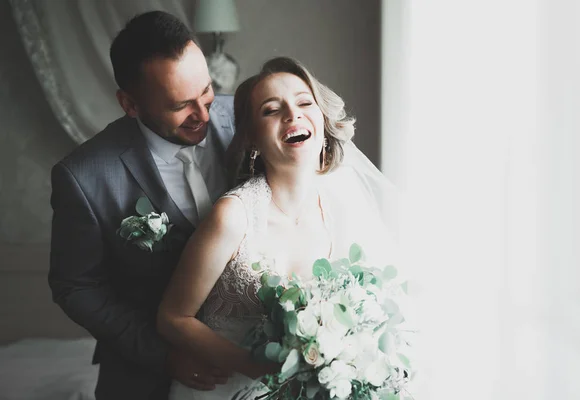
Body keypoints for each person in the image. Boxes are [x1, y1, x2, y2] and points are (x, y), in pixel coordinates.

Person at [157, 57, 398, 399]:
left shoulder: (342, 205)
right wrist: (255, 367)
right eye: (271, 110)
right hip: (225, 389)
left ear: (322, 121)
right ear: (253, 139)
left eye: (304, 102)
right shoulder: (233, 216)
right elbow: (172, 317)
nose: (292, 115)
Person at [48, 11, 236, 400]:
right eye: (181, 104)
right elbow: (77, 287)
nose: (203, 113)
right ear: (130, 104)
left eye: (206, 90)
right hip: (146, 379)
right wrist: (163, 354)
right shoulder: (83, 177)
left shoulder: (246, 119)